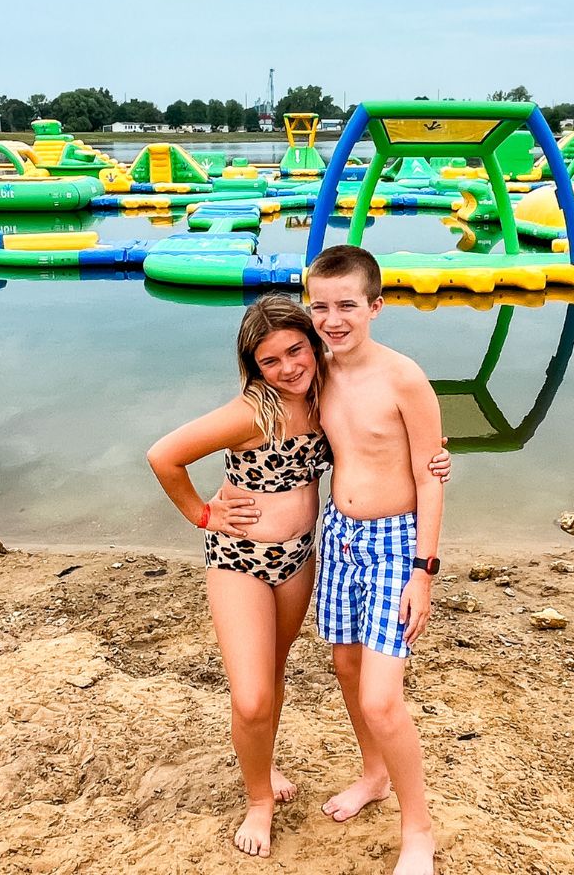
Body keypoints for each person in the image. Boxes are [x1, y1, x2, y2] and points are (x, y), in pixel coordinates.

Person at [146, 294, 449, 860]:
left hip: (301, 558)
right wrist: (202, 514)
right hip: (241, 560)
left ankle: (270, 763)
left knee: (275, 671)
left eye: (295, 349)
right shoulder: (253, 412)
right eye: (270, 361)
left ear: (312, 343)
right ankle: (259, 800)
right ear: (253, 368)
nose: (288, 367)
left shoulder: (324, 392)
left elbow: (377, 435)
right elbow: (164, 455)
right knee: (254, 696)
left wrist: (435, 457)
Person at [306, 244, 444, 875]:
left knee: (383, 699)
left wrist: (425, 569)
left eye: (347, 306)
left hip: (395, 544)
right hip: (337, 536)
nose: (333, 319)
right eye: (321, 306)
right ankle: (373, 775)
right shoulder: (316, 371)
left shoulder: (404, 377)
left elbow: (429, 472)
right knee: (347, 669)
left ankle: (418, 833)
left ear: (376, 307)